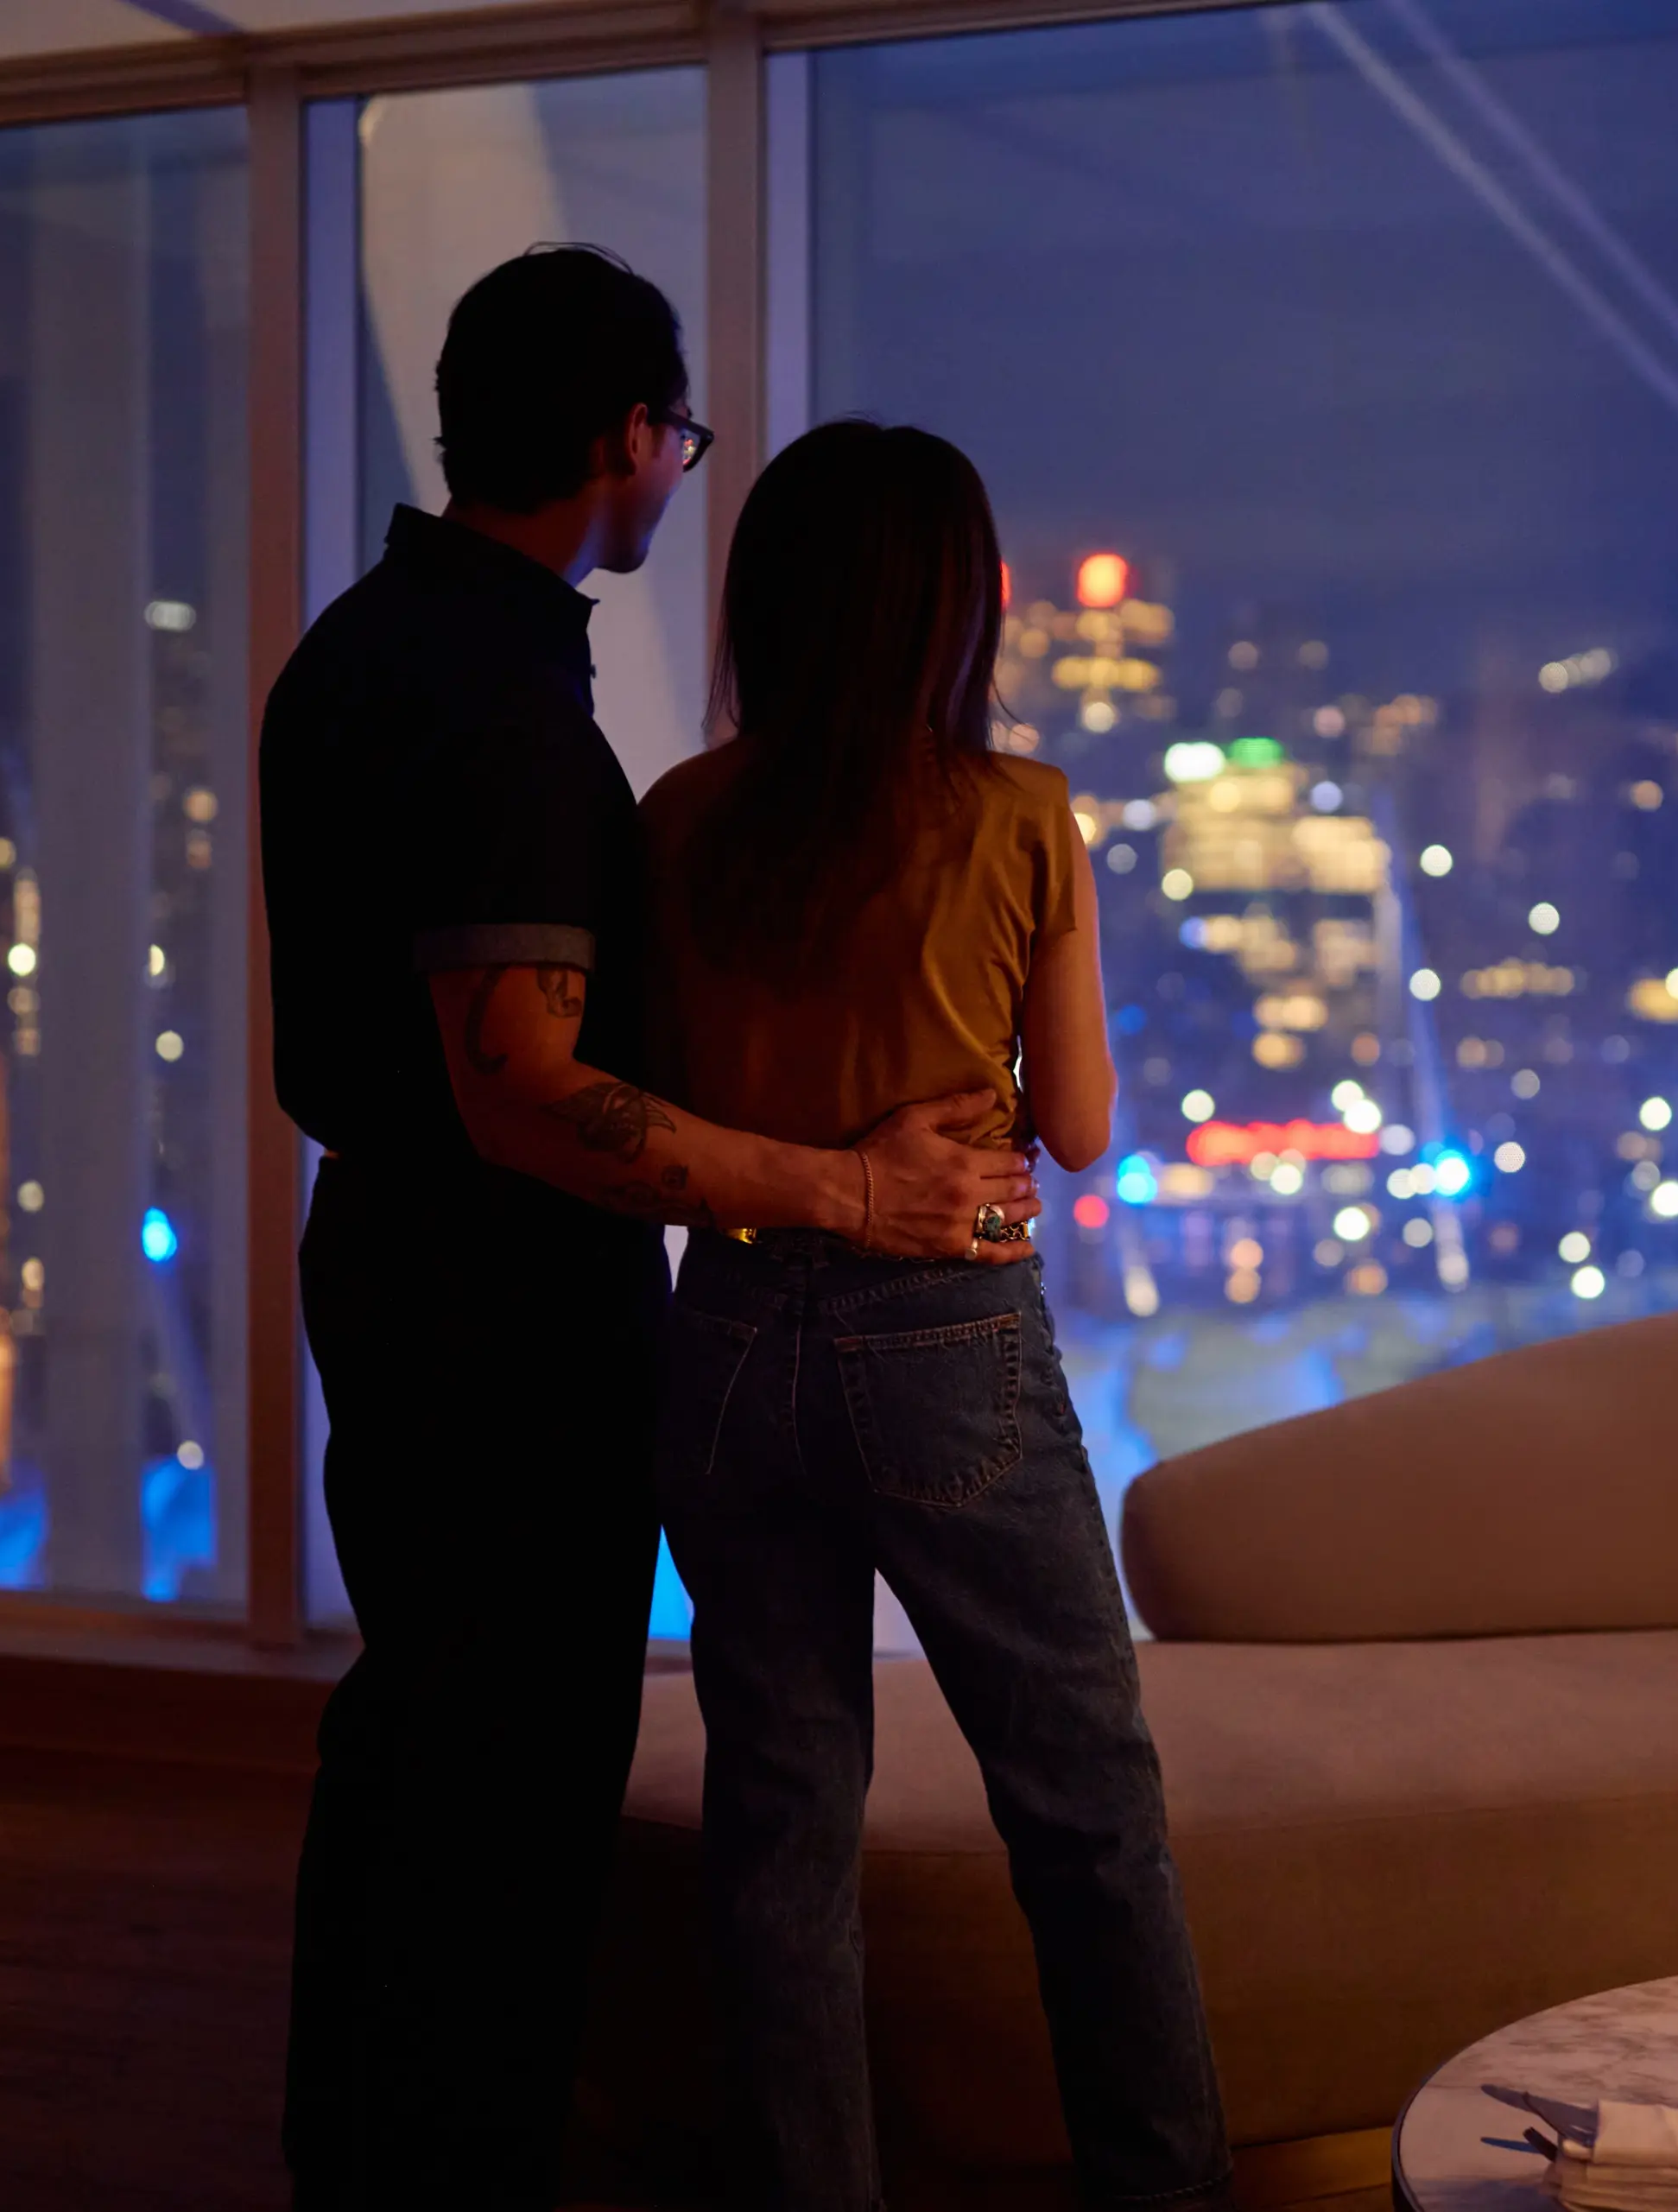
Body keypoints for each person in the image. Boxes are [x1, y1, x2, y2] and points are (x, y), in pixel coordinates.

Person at [258, 249, 1039, 2212]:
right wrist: (855, 1182)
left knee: (417, 1742)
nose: (681, 468)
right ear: (622, 437)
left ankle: (360, 2157)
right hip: (500, 1309)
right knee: (511, 1786)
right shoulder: (504, 704)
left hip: (386, 1265)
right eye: (675, 432)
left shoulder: (352, 647)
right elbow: (522, 1080)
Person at [640, 421, 1231, 2212]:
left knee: (782, 1825)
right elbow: (1079, 1124)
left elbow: (665, 1108)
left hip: (729, 1333)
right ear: (951, 613)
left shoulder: (679, 817)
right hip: (940, 1344)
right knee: (1086, 1820)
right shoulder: (1018, 813)